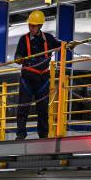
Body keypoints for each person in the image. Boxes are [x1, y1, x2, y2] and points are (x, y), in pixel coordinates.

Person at [14, 10, 62, 140]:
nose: (31, 28)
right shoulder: (23, 40)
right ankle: (20, 134)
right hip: (27, 80)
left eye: (34, 26)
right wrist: (19, 58)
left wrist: (69, 44)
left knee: (42, 110)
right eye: (30, 25)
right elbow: (17, 56)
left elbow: (61, 44)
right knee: (23, 108)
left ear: (40, 26)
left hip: (43, 79)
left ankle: (43, 135)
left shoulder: (49, 39)